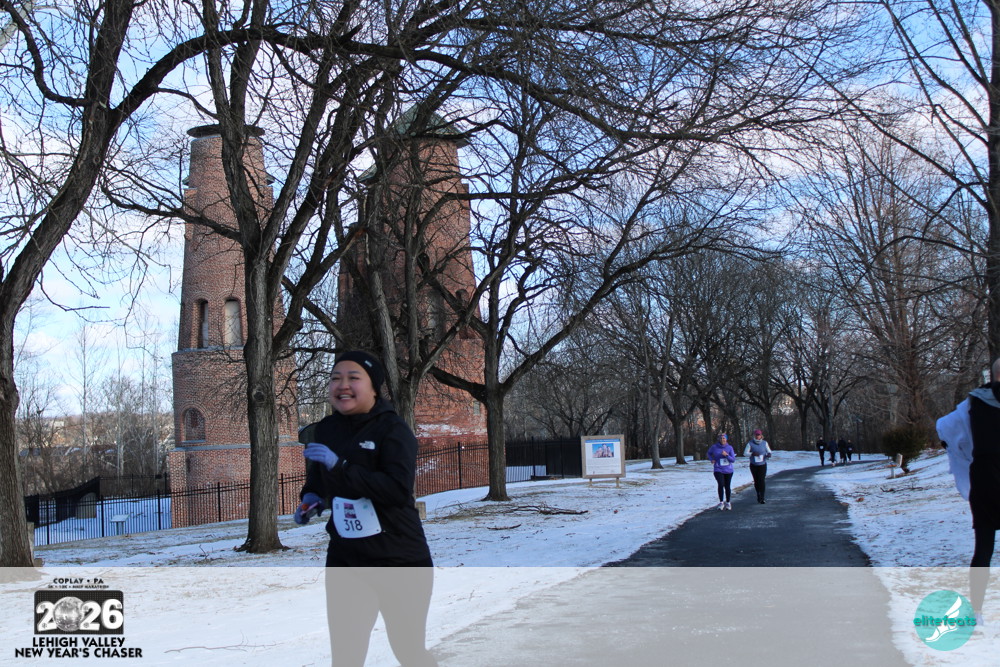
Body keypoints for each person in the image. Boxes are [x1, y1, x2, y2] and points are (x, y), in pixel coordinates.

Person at [296, 350, 437, 667]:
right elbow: (320, 480)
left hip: (398, 559)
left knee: (409, 652)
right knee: (346, 658)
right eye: (335, 378)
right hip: (346, 560)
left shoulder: (393, 430)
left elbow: (396, 490)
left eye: (353, 377)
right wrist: (312, 499)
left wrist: (341, 467)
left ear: (373, 386)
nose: (342, 385)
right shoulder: (326, 429)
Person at [937, 357, 1000, 628]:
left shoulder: (974, 401)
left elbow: (945, 427)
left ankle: (976, 611)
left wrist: (961, 451)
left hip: (984, 476)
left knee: (983, 547)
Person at [707, 433, 735, 510]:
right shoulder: (714, 447)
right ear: (719, 439)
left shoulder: (729, 448)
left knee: (727, 486)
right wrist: (711, 459)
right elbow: (709, 453)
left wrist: (726, 455)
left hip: (728, 470)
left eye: (724, 438)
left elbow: (733, 460)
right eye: (721, 438)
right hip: (718, 469)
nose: (722, 440)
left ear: (726, 439)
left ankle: (728, 502)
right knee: (721, 484)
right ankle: (721, 502)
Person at [743, 429, 773, 504]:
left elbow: (769, 451)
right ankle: (758, 494)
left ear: (761, 435)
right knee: (756, 480)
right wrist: (752, 453)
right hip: (754, 465)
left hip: (762, 464)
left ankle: (762, 497)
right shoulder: (750, 443)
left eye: (759, 435)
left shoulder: (764, 443)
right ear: (754, 435)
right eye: (756, 435)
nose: (757, 436)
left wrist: (769, 454)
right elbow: (745, 453)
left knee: (761, 480)